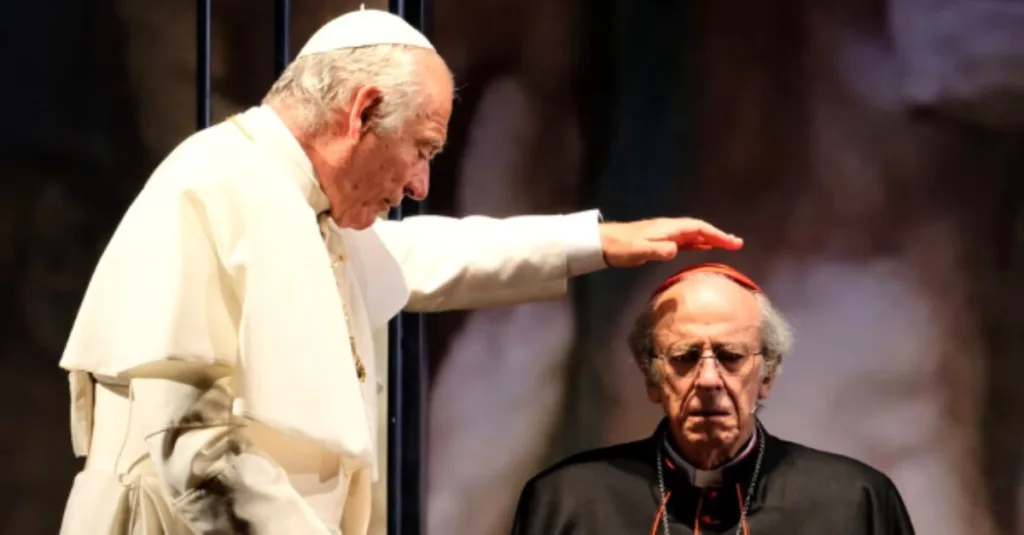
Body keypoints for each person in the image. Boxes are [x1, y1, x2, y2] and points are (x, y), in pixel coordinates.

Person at [56, 8, 744, 535]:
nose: (419, 185)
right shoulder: (216, 186)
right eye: (422, 149)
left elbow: (426, 255)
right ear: (362, 113)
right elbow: (193, 452)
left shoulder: (298, 200)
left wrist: (596, 239)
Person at [511, 263, 916, 535]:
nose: (707, 380)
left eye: (731, 356)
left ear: (767, 375)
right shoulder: (567, 500)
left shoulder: (856, 500)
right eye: (685, 357)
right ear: (652, 379)